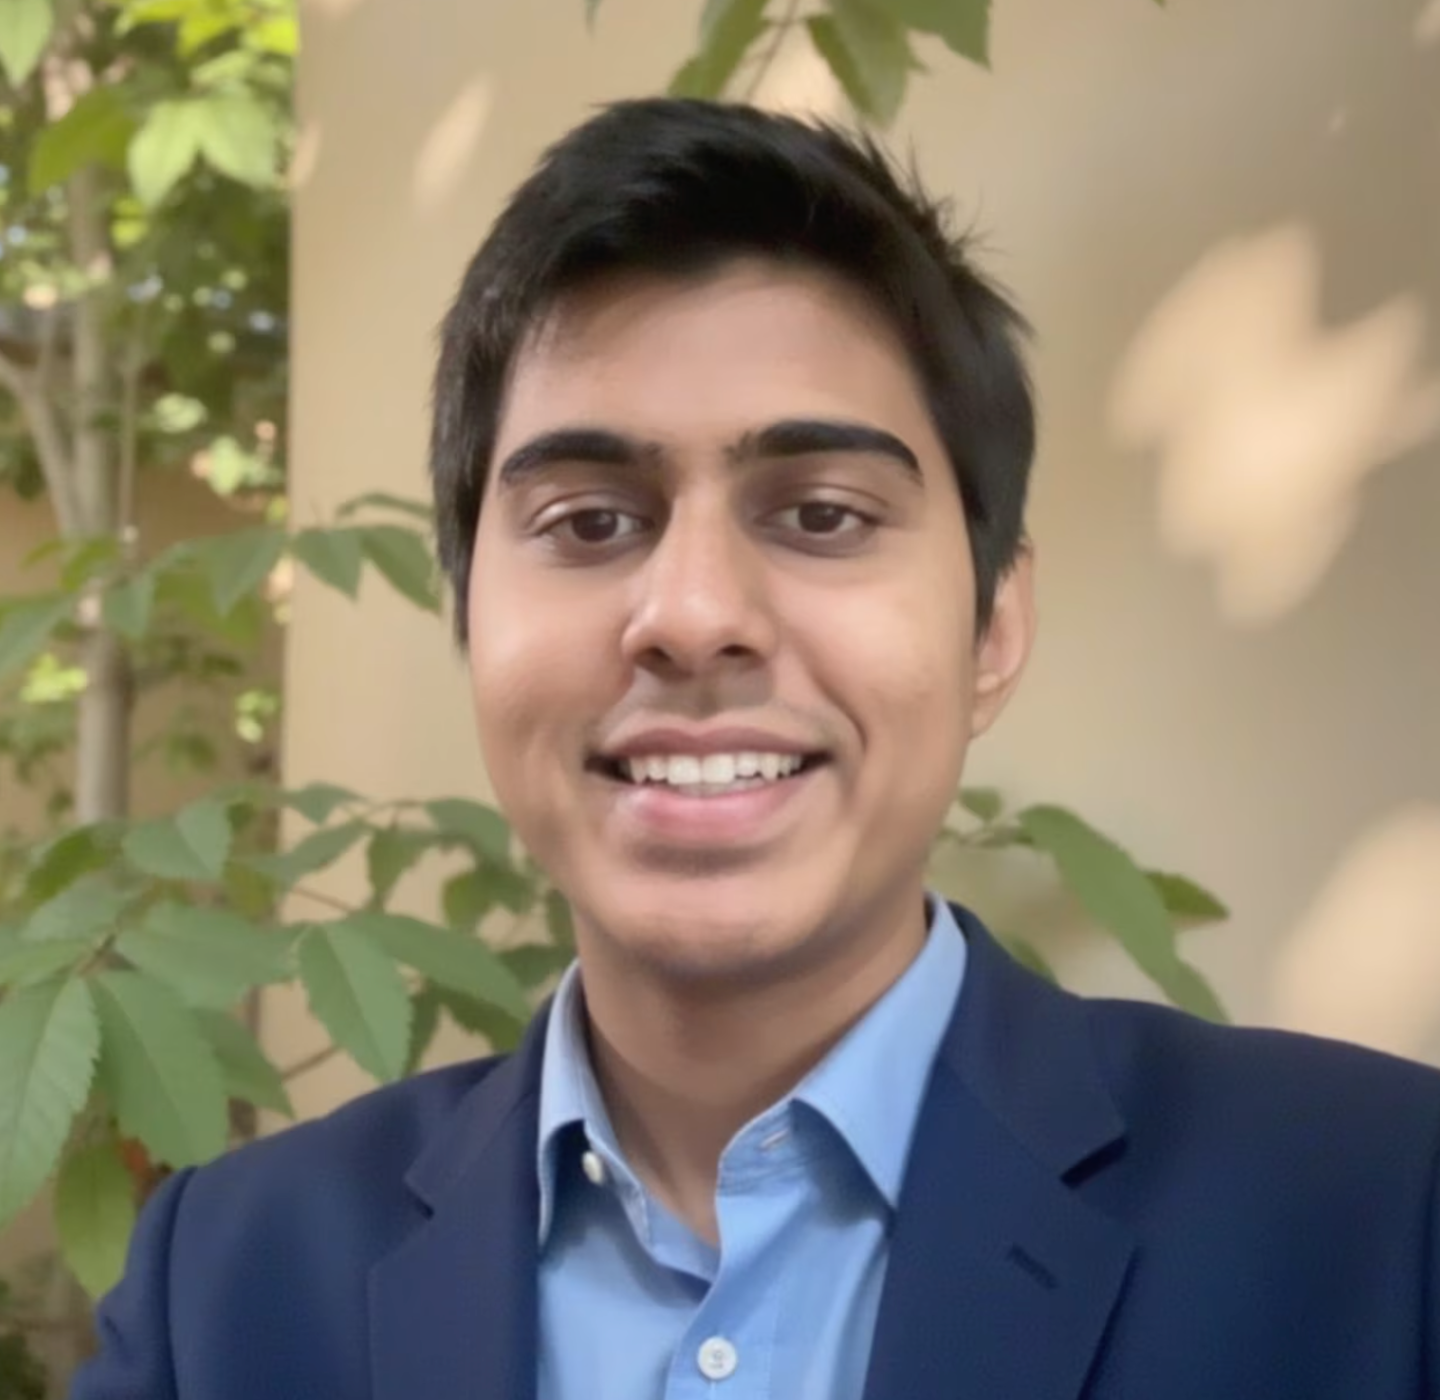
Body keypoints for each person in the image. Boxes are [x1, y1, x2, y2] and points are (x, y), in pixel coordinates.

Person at [74, 99, 1440, 1400]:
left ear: (993, 627)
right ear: (470, 617)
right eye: (591, 523)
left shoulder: (1382, 1213)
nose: (693, 617)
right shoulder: (228, 1290)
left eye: (823, 515)